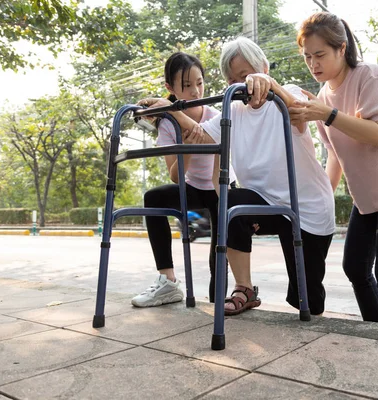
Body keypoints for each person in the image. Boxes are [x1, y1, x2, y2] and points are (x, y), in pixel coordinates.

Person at [138, 37, 335, 316]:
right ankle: (245, 289)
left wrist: (272, 86)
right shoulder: (233, 107)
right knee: (231, 203)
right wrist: (169, 110)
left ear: (264, 69)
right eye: (233, 80)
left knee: (308, 301)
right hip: (264, 201)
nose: (241, 84)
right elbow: (202, 136)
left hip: (307, 206)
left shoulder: (286, 94)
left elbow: (300, 114)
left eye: (246, 75)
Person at [289, 12, 378, 326]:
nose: (313, 63)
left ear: (342, 49)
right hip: (368, 197)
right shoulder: (325, 97)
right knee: (355, 267)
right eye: (307, 57)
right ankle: (376, 331)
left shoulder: (369, 75)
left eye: (320, 55)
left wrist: (326, 114)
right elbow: (336, 154)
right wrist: (324, 195)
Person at [131, 52, 236, 307]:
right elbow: (176, 177)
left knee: (218, 259)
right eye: (187, 86)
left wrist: (172, 113)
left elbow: (221, 158)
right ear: (171, 88)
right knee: (152, 198)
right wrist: (186, 149)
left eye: (199, 83)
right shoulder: (167, 125)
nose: (196, 91)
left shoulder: (215, 114)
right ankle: (167, 282)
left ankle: (218, 297)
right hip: (193, 187)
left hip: (221, 187)